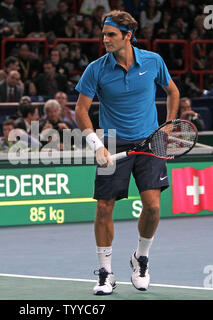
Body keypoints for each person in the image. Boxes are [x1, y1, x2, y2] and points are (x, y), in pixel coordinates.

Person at [74, 10, 179, 294]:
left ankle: (141, 258)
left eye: (110, 35)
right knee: (104, 206)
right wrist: (96, 145)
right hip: (110, 141)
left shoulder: (153, 61)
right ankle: (105, 273)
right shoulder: (95, 69)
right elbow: (80, 111)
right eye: (103, 34)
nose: (104, 39)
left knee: (153, 206)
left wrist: (167, 126)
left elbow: (173, 92)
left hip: (150, 142)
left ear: (127, 36)